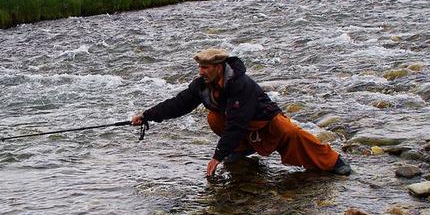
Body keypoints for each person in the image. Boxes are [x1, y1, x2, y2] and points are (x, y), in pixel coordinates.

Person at [131, 48, 352, 178]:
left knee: (290, 132)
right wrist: (147, 115)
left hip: (264, 119)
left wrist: (217, 157)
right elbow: (177, 104)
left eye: (206, 67)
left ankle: (332, 161)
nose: (201, 71)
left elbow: (237, 123)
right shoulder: (200, 85)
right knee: (214, 118)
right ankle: (242, 150)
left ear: (219, 66)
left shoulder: (241, 85)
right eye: (199, 67)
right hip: (241, 125)